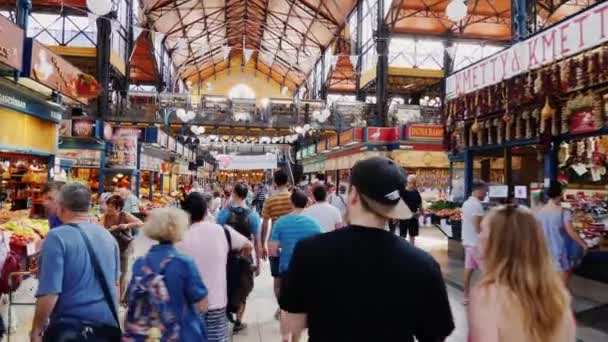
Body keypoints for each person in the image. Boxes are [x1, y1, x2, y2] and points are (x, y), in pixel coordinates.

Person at [280, 157, 454, 341]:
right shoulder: (424, 264)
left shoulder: (308, 251)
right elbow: (435, 335)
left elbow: (293, 322)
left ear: (354, 194)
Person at [468, 205, 576, 342]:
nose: (479, 239)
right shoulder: (559, 298)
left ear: (497, 245)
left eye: (482, 232)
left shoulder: (488, 296)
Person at [32, 183, 121, 341]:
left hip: (71, 330)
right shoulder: (108, 237)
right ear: (88, 206)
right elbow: (115, 286)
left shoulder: (56, 238)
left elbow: (50, 292)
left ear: (61, 206)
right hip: (106, 327)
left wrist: (37, 330)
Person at [124, 207, 209, 341]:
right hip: (181, 334)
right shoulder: (184, 263)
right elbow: (202, 305)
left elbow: (130, 300)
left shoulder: (140, 263)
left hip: (148, 335)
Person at [178, 192, 253, 342]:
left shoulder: (178, 237)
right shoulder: (222, 231)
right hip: (217, 303)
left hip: (189, 304)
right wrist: (238, 261)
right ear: (206, 210)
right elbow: (248, 245)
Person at [269, 190, 322, 328]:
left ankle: (283, 315)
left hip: (287, 268)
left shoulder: (280, 222)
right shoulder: (314, 223)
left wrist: (283, 248)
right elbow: (321, 246)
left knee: (282, 295)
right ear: (306, 204)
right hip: (307, 269)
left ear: (291, 202)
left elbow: (273, 251)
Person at [216, 182, 262, 332]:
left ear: (234, 194)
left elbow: (217, 234)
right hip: (245, 256)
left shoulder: (224, 213)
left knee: (226, 285)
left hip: (227, 256)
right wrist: (259, 264)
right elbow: (257, 242)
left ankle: (225, 313)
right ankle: (238, 321)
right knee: (244, 287)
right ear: (246, 194)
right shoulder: (253, 215)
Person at [536, 181, 588, 284]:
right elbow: (570, 232)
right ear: (560, 194)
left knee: (548, 288)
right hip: (559, 255)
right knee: (562, 288)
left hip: (543, 254)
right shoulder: (564, 212)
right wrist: (583, 244)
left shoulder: (539, 212)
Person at [260, 170, 293, 315]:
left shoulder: (269, 200)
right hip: (292, 240)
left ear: (274, 182)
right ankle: (288, 306)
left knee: (277, 277)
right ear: (287, 182)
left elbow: (265, 224)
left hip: (274, 241)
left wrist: (262, 245)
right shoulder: (293, 198)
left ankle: (281, 307)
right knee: (291, 274)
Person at [102, 195, 143, 303]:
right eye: (108, 205)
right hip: (110, 247)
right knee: (111, 271)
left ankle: (121, 298)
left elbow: (140, 223)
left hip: (124, 246)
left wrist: (126, 225)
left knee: (123, 272)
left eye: (112, 206)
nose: (109, 208)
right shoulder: (105, 216)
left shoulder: (124, 215)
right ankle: (112, 294)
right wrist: (109, 230)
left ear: (119, 208)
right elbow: (100, 229)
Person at [461, 180, 488, 305]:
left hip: (467, 241)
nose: (486, 193)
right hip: (476, 243)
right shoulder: (477, 205)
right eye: (485, 191)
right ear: (479, 190)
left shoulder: (466, 203)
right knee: (487, 272)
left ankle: (466, 297)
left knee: (469, 269)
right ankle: (484, 298)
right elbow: (478, 227)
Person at [389, 175, 423, 245]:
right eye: (410, 182)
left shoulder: (416, 193)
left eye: (413, 183)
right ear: (407, 182)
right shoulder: (402, 191)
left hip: (413, 217)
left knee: (412, 236)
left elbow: (419, 203)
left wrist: (421, 211)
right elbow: (391, 198)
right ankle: (403, 251)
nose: (412, 184)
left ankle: (412, 251)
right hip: (404, 217)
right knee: (402, 235)